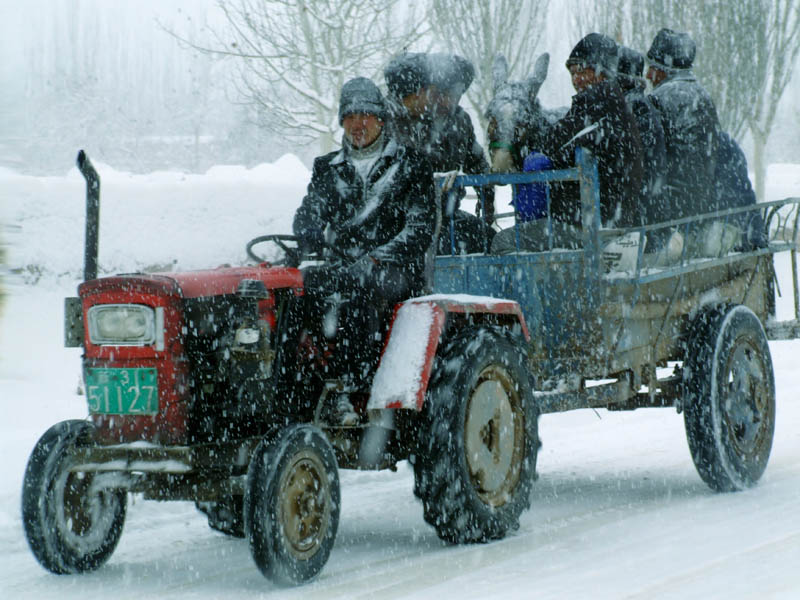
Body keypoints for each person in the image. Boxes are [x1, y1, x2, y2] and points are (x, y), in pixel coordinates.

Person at [291, 77, 436, 423]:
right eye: (350, 116)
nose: (358, 124)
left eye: (366, 116)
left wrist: (374, 258)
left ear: (381, 120)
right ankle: (298, 386)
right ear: (341, 121)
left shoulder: (410, 165)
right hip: (340, 265)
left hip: (395, 268)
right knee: (294, 295)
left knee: (358, 292)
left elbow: (419, 230)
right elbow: (309, 215)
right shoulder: (327, 168)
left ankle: (351, 389)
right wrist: (309, 244)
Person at [492, 33, 645, 254]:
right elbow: (555, 142)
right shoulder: (605, 105)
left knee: (503, 242)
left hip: (590, 226)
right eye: (573, 72)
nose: (577, 78)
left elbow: (554, 147)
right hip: (592, 219)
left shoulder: (598, 108)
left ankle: (530, 287)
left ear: (603, 71)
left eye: (583, 70)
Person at [384, 52, 495, 254]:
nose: (447, 102)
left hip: (446, 215)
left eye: (454, 95)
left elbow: (477, 161)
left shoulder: (460, 122)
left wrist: (487, 199)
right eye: (440, 94)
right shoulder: (398, 118)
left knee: (489, 240)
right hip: (401, 220)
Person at [646, 28, 720, 223]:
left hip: (669, 208)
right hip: (704, 205)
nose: (647, 75)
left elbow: (652, 157)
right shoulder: (704, 97)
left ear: (665, 68)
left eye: (652, 67)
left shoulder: (657, 99)